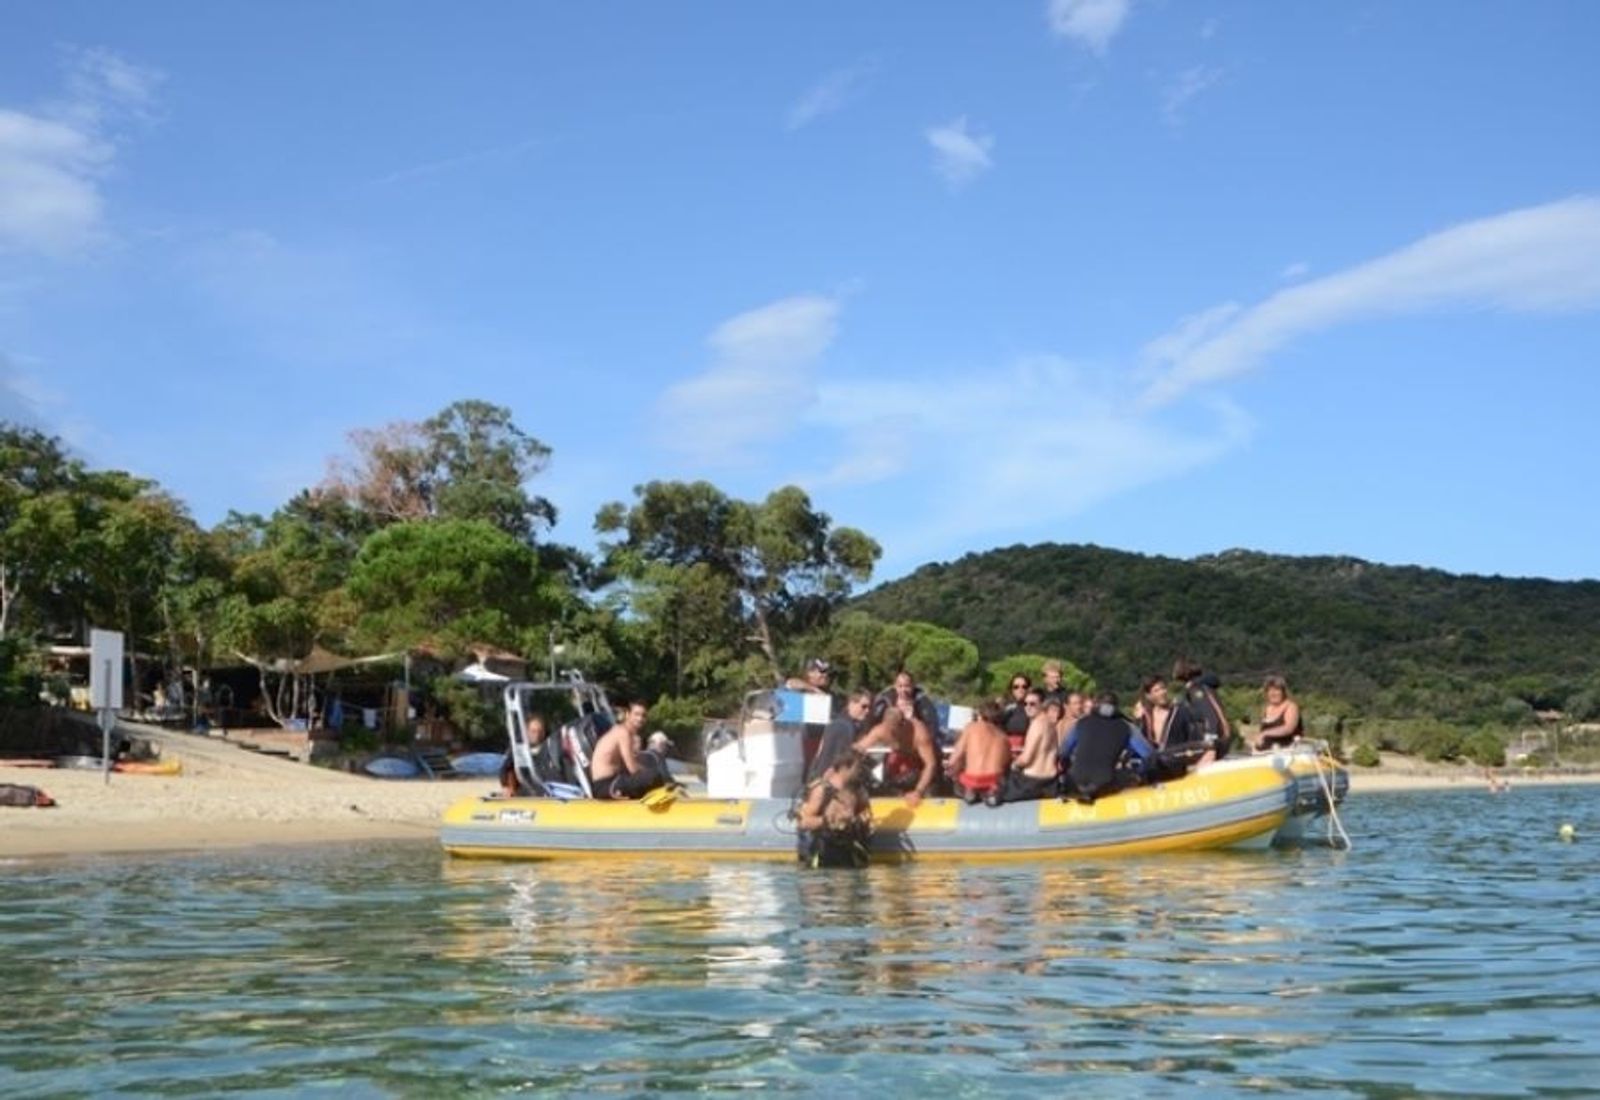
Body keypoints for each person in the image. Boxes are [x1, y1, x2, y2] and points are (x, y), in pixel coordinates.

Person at [1058, 691, 1156, 803]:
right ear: (1116, 707)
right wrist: (1139, 774)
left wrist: (1068, 770)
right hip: (1104, 785)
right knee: (1127, 774)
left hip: (1074, 783)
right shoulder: (1127, 727)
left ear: (1096, 705)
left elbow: (1063, 753)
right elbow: (1149, 755)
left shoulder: (1080, 723)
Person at [797, 749, 873, 868]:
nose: (860, 771)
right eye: (857, 768)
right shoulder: (821, 790)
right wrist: (829, 821)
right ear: (844, 767)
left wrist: (859, 820)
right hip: (823, 851)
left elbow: (866, 814)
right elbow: (803, 822)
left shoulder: (857, 790)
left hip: (848, 851)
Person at [855, 706, 938, 808]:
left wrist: (918, 791)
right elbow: (860, 747)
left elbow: (930, 764)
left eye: (894, 731)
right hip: (903, 767)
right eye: (888, 730)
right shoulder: (880, 730)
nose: (891, 734)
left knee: (927, 796)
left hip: (922, 767)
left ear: (903, 724)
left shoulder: (919, 734)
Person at [589, 700, 669, 800]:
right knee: (654, 777)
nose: (640, 719)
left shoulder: (624, 733)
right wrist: (649, 773)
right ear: (628, 714)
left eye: (643, 715)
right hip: (606, 786)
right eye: (636, 714)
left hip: (613, 781)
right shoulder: (623, 733)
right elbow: (633, 769)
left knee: (649, 774)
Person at [1167, 659, 1232, 766]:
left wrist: (1210, 742)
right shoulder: (1203, 687)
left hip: (1212, 742)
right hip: (1218, 739)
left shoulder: (1197, 690)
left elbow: (1210, 715)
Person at [945, 700, 1011, 805]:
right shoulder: (1003, 737)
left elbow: (954, 758)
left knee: (956, 777)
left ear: (980, 715)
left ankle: (971, 791)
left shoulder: (971, 727)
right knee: (1001, 778)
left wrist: (952, 772)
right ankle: (991, 794)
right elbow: (1005, 763)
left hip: (971, 780)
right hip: (993, 781)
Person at [809, 688, 874, 781]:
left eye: (869, 707)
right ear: (851, 703)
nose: (867, 710)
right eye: (864, 706)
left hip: (820, 776)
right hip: (828, 778)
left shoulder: (841, 721)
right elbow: (838, 758)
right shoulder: (844, 727)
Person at [1007, 695, 1062, 802]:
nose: (1028, 707)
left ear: (1042, 705)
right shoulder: (1051, 725)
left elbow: (1026, 759)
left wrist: (1013, 764)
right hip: (1051, 782)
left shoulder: (1037, 724)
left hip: (1032, 781)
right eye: (1025, 704)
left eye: (1032, 704)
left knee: (998, 792)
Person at [1252, 675, 1303, 751]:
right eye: (1270, 690)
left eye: (1276, 690)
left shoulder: (1291, 706)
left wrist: (1265, 733)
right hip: (1265, 752)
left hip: (1287, 751)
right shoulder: (1267, 708)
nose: (1273, 693)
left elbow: (1288, 728)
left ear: (1283, 692)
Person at [1138, 676, 1175, 750]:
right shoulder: (1147, 717)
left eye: (1163, 688)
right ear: (1148, 696)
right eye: (1156, 690)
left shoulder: (1177, 712)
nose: (1162, 692)